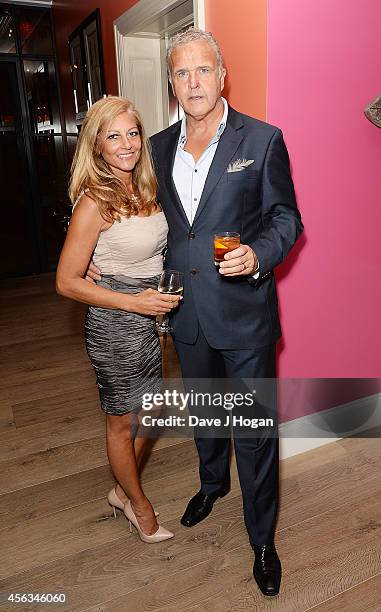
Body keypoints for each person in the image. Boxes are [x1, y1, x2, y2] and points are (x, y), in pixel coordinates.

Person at [88, 27, 303, 595]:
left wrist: (260, 253)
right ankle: (212, 485)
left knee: (253, 429)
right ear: (171, 83)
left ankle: (262, 539)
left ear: (222, 74)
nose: (193, 83)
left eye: (203, 70)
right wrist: (98, 263)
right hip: (185, 314)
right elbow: (128, 211)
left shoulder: (263, 139)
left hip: (245, 313)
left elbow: (287, 220)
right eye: (181, 73)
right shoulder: (154, 147)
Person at [56, 96, 181, 544]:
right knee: (122, 421)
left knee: (152, 409)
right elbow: (66, 282)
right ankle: (137, 505)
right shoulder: (95, 201)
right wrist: (132, 303)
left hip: (149, 315)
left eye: (132, 133)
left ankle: (120, 489)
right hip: (115, 320)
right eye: (113, 136)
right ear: (98, 146)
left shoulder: (145, 187)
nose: (126, 144)